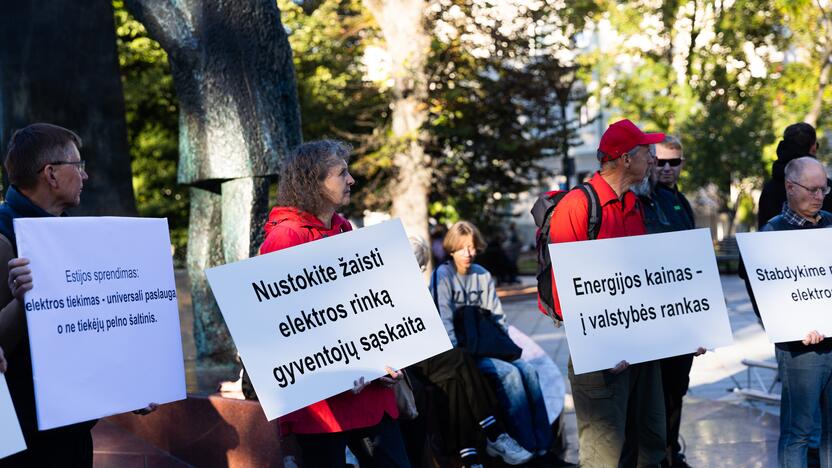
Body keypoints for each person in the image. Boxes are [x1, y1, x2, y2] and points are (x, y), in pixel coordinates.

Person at [0, 123, 156, 467]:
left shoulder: (72, 235)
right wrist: (24, 302)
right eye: (79, 165)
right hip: (20, 437)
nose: (85, 176)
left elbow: (88, 327)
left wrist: (131, 384)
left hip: (70, 429)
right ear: (51, 174)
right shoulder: (2, 236)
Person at [261, 139, 409, 468]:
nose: (352, 180)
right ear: (313, 181)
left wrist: (391, 355)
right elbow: (284, 326)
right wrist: (337, 370)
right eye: (342, 173)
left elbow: (368, 308)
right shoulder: (285, 239)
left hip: (369, 392)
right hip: (322, 406)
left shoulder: (344, 229)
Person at [549, 119, 667, 467]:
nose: (653, 160)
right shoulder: (577, 206)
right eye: (647, 152)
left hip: (643, 347)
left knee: (652, 441)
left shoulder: (634, 205)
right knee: (603, 454)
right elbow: (564, 293)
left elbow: (646, 279)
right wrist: (605, 344)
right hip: (601, 356)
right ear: (626, 159)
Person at [409, 236, 533, 467]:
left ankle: (469, 456)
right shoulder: (404, 285)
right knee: (460, 359)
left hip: (430, 353)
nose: (417, 268)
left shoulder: (415, 287)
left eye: (419, 264)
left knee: (454, 378)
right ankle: (493, 431)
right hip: (407, 362)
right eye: (413, 262)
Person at [431, 221, 548, 461]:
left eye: (472, 247)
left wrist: (505, 347)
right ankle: (525, 446)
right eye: (462, 248)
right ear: (452, 249)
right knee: (510, 374)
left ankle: (544, 445)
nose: (468, 253)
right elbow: (444, 322)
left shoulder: (482, 275)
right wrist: (460, 358)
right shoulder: (442, 276)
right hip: (464, 354)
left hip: (487, 345)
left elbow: (497, 317)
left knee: (528, 370)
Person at [759, 157, 832, 466]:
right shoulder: (773, 232)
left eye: (824, 188)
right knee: (798, 431)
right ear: (790, 188)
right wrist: (793, 325)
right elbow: (765, 294)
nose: (819, 196)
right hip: (800, 350)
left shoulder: (830, 222)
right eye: (812, 189)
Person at [638, 135, 704, 468]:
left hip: (683, 314)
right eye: (660, 161)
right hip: (653, 313)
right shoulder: (642, 201)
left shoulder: (683, 202)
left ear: (681, 164)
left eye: (673, 162)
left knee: (677, 386)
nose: (666, 168)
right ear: (649, 161)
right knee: (656, 391)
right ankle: (657, 453)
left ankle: (670, 451)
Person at [758, 122, 832, 228]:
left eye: (823, 190)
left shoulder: (769, 189)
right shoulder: (772, 227)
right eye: (812, 189)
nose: (819, 196)